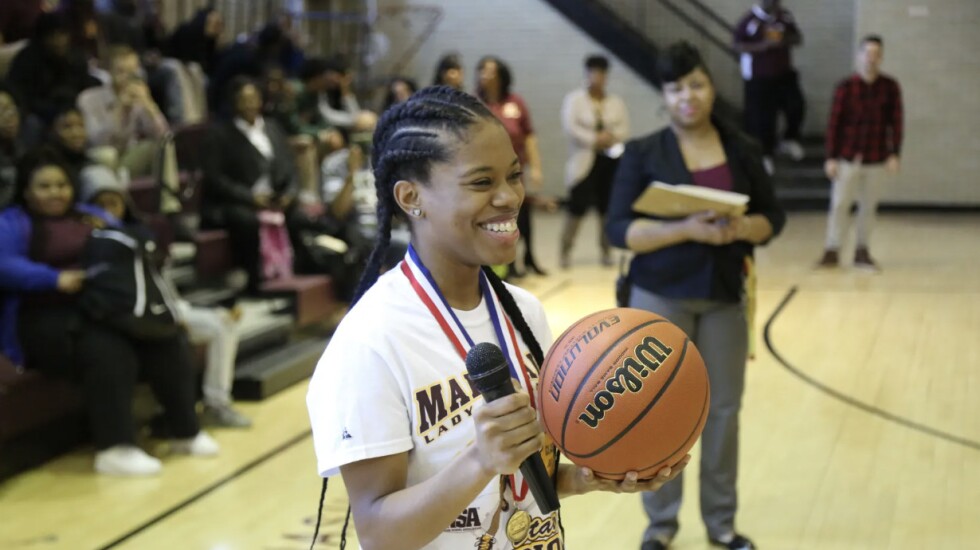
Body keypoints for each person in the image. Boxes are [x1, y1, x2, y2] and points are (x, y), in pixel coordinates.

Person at [306, 85, 688, 549]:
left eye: (514, 175)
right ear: (410, 197)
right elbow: (378, 533)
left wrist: (586, 477)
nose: (509, 197)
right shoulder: (369, 342)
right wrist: (479, 462)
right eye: (481, 182)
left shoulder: (523, 312)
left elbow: (517, 483)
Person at [605, 42, 785, 550]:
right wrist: (685, 228)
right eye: (676, 87)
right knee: (658, 410)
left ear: (712, 86)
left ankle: (721, 523)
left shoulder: (742, 147)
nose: (688, 96)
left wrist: (741, 228)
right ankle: (661, 525)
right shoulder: (644, 152)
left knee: (724, 412)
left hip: (726, 294)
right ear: (664, 96)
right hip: (660, 293)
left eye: (697, 84)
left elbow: (773, 218)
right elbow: (618, 229)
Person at [0, 155, 219, 476]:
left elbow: (130, 244)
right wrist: (54, 278)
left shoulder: (90, 215)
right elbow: (4, 265)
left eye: (61, 185)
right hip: (45, 314)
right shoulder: (11, 222)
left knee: (165, 338)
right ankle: (115, 448)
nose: (55, 192)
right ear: (27, 192)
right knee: (107, 349)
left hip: (106, 305)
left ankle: (185, 431)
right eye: (44, 186)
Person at [78, 164, 251, 428]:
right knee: (178, 336)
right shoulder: (92, 241)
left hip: (162, 306)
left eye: (114, 202)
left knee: (223, 323)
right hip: (127, 317)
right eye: (100, 204)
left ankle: (217, 404)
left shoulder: (141, 233)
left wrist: (182, 310)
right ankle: (171, 414)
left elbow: (160, 283)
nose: (108, 210)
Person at [200, 77, 300, 294]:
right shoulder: (220, 134)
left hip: (274, 197)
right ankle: (254, 279)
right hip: (238, 201)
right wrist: (250, 197)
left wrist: (289, 194)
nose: (250, 104)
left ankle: (296, 269)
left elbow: (290, 167)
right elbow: (215, 179)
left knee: (299, 216)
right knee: (246, 221)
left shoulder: (273, 127)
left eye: (254, 98)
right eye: (244, 99)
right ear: (234, 102)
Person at [817, 35, 902, 272]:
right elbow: (834, 124)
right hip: (847, 156)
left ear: (881, 58)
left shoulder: (890, 87)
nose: (871, 58)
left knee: (868, 207)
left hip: (877, 157)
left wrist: (894, 153)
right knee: (839, 204)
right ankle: (832, 249)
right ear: (859, 56)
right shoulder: (845, 87)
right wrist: (830, 157)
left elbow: (896, 122)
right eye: (867, 53)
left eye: (876, 54)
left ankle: (862, 251)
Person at [475, 56, 546, 277]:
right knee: (497, 218)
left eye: (491, 71)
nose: (486, 75)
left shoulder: (516, 102)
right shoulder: (475, 103)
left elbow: (529, 137)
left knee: (522, 216)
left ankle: (527, 259)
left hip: (515, 172)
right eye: (482, 70)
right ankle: (504, 265)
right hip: (486, 174)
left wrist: (536, 167)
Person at [560, 54, 629, 269]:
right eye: (593, 73)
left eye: (601, 74)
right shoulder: (575, 100)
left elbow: (624, 128)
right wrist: (594, 138)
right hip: (584, 159)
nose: (597, 78)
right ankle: (565, 250)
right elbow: (570, 127)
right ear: (587, 74)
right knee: (577, 207)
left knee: (606, 209)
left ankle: (606, 250)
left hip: (609, 161)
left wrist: (610, 137)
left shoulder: (615, 102)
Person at [733, 0, 805, 167]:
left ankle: (789, 139)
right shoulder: (750, 20)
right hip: (759, 77)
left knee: (796, 106)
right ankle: (765, 154)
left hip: (784, 74)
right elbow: (736, 45)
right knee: (764, 118)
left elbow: (798, 38)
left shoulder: (784, 16)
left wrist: (784, 40)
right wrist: (762, 46)